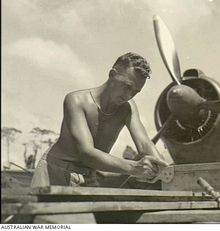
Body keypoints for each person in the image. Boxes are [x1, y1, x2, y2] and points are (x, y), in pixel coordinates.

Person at [31, 52, 168, 188]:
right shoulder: (76, 100)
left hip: (89, 176)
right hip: (53, 172)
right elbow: (86, 153)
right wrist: (135, 167)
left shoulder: (128, 107)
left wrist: (165, 170)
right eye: (127, 86)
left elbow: (144, 144)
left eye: (135, 92)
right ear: (112, 74)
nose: (128, 95)